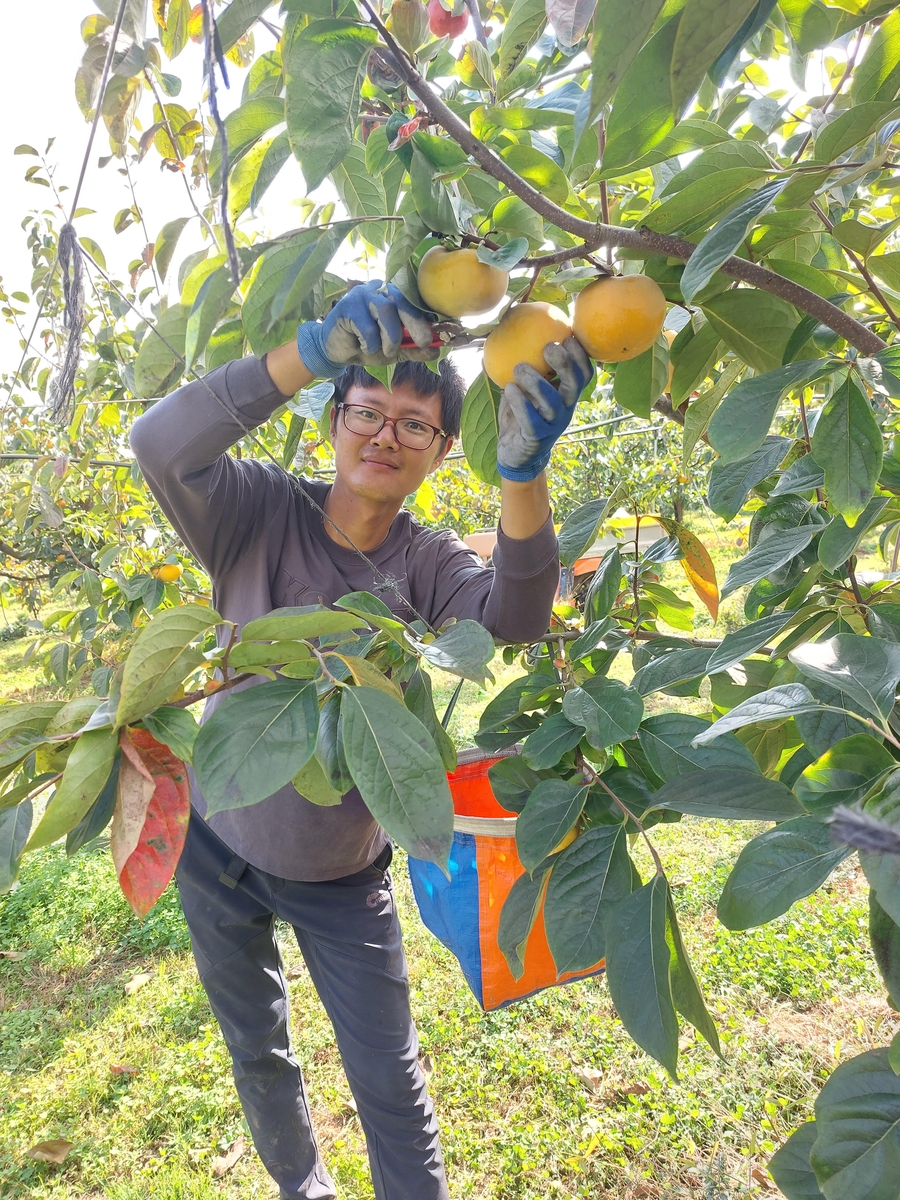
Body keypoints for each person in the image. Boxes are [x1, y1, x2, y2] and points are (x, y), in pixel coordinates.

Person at [130, 280, 592, 1200]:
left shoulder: (427, 562)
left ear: (441, 451)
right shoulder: (254, 512)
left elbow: (516, 617)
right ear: (333, 417)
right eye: (367, 412)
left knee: (389, 1083)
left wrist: (524, 473)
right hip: (212, 845)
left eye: (413, 426)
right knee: (255, 1046)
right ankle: (300, 1184)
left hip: (342, 876)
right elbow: (158, 444)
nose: (384, 436)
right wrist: (305, 351)